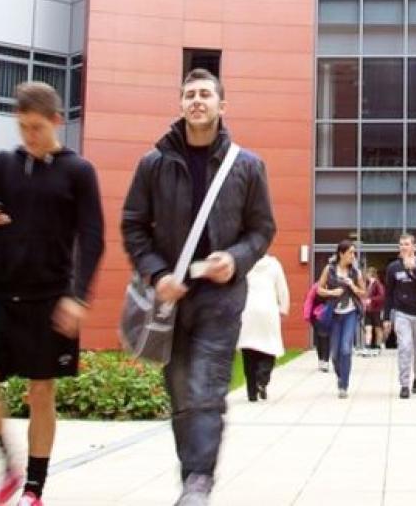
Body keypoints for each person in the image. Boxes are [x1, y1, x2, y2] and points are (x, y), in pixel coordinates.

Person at [121, 68, 275, 505]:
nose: (197, 100)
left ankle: (198, 483)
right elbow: (133, 226)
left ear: (222, 106)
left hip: (221, 297)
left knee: (207, 386)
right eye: (189, 94)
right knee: (182, 391)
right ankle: (194, 477)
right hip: (172, 296)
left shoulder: (247, 165)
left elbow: (262, 230)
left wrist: (237, 258)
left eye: (205, 94)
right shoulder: (154, 164)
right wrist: (156, 275)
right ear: (181, 104)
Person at [0, 81, 105, 506]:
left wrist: (78, 297)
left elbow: (93, 238)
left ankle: (34, 490)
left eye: (37, 127)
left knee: (41, 392)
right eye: (22, 127)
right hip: (0, 294)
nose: (29, 136)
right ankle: (8, 467)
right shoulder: (3, 164)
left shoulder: (78, 171)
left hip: (50, 299)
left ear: (57, 121)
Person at [384, 234, 416, 399]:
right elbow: (389, 294)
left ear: (414, 247)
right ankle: (404, 384)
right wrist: (386, 317)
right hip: (402, 313)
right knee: (405, 347)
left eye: (406, 244)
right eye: (401, 244)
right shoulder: (393, 267)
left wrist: (414, 269)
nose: (403, 247)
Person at [316, 240, 366, 398]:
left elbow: (363, 293)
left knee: (346, 348)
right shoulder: (329, 269)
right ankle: (340, 376)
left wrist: (352, 286)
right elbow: (318, 289)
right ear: (341, 253)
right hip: (334, 314)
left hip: (350, 313)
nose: (353, 255)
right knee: (335, 354)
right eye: (350, 252)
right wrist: (332, 293)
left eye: (354, 252)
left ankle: (344, 385)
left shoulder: (355, 272)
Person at [237, 254, 289, 402]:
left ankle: (251, 393)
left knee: (248, 351)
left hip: (247, 310)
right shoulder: (274, 264)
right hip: (268, 310)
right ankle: (262, 378)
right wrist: (283, 307)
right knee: (269, 347)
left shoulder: (244, 261)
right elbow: (282, 288)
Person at [362, 267, 386, 356]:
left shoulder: (378, 284)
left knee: (378, 329)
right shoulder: (367, 284)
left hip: (377, 310)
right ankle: (367, 346)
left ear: (371, 274)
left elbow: (382, 296)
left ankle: (377, 346)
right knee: (368, 328)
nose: (366, 276)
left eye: (367, 274)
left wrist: (371, 300)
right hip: (368, 310)